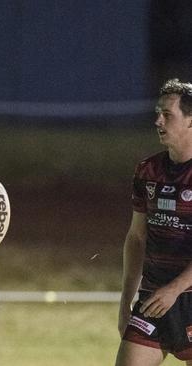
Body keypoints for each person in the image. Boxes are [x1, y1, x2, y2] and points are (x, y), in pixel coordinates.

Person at [116, 79, 192, 366]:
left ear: (191, 120)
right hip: (152, 300)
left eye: (167, 115)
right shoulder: (148, 170)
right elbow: (136, 238)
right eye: (157, 113)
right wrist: (126, 301)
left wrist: (174, 290)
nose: (158, 120)